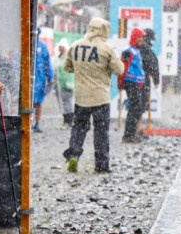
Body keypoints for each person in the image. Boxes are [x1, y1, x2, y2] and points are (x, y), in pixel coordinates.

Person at [63, 18, 124, 173]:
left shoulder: (75, 46)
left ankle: (74, 154)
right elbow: (119, 70)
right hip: (100, 97)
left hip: (81, 97)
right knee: (101, 131)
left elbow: (67, 67)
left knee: (79, 128)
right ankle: (101, 165)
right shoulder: (108, 49)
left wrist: (83, 72)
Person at [119, 29, 147, 143]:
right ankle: (128, 135)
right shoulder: (128, 51)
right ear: (134, 38)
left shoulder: (137, 51)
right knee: (134, 108)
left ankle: (132, 133)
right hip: (131, 82)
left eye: (142, 38)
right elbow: (123, 67)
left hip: (137, 83)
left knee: (136, 108)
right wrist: (120, 82)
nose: (141, 40)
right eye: (139, 37)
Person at [138, 28, 161, 137]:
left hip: (137, 79)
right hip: (142, 80)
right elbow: (153, 64)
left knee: (138, 106)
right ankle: (136, 131)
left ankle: (136, 131)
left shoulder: (140, 47)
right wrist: (156, 79)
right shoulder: (145, 48)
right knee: (139, 106)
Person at [33, 32, 54, 133]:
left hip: (39, 79)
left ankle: (37, 123)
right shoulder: (25, 44)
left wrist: (50, 78)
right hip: (27, 79)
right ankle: (25, 123)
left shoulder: (42, 46)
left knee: (38, 103)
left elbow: (47, 63)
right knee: (25, 102)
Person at [53, 39, 75, 126]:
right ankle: (66, 120)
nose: (60, 48)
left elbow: (68, 72)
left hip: (67, 84)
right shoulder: (59, 57)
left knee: (68, 102)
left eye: (61, 47)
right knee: (63, 103)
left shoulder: (67, 57)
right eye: (59, 47)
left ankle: (69, 121)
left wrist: (68, 82)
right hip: (60, 84)